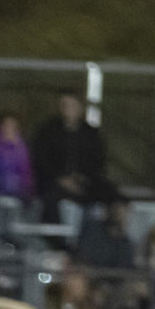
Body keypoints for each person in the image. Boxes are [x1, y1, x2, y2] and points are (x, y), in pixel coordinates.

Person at [28, 91, 115, 227]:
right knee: (49, 199)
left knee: (110, 194)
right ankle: (57, 240)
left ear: (80, 108)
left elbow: (98, 160)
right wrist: (60, 178)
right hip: (54, 182)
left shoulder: (91, 134)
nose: (67, 110)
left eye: (71, 106)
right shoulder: (48, 131)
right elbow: (41, 159)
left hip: (86, 182)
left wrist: (84, 177)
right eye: (64, 105)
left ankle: (100, 234)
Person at [73, 198, 136, 271]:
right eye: (116, 210)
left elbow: (125, 269)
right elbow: (82, 259)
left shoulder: (126, 244)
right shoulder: (93, 231)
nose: (124, 218)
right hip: (90, 277)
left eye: (127, 212)